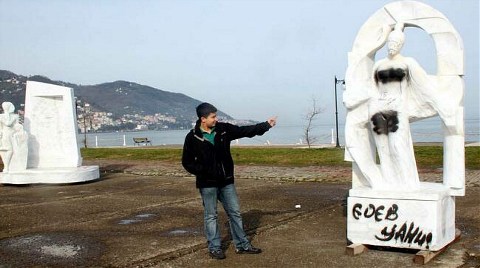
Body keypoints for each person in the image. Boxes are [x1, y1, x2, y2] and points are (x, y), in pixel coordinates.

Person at [182, 103, 277, 260]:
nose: (216, 119)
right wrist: (203, 171)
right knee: (211, 216)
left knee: (235, 213)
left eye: (216, 116)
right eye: (213, 117)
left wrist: (265, 125)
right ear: (203, 119)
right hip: (208, 184)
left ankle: (242, 245)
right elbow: (187, 162)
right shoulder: (192, 137)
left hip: (226, 182)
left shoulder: (223, 129)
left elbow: (244, 131)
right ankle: (215, 248)